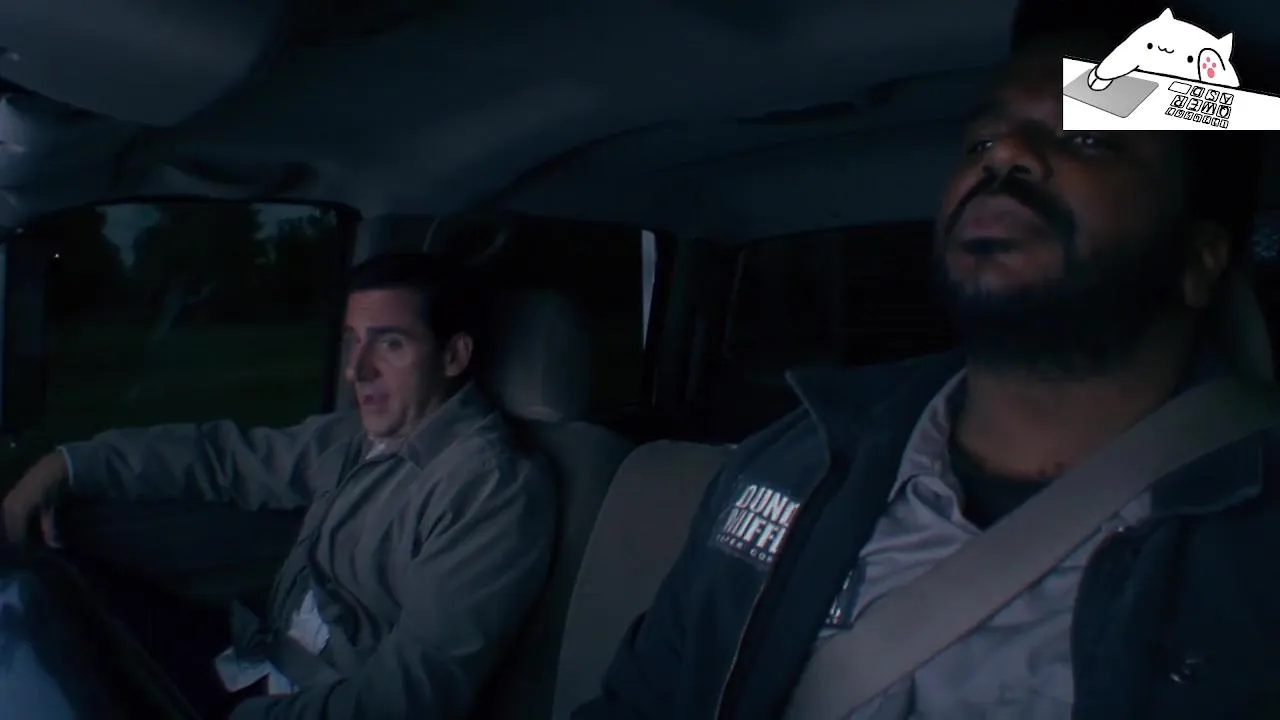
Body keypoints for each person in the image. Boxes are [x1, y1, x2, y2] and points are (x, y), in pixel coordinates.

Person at [575, 3, 1279, 719]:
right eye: (981, 141)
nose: (1006, 154)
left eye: (1092, 136)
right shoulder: (792, 463)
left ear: (1199, 259)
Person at [1, 252, 557, 719]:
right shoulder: (358, 435)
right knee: (64, 591)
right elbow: (224, 458)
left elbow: (405, 698)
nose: (356, 371)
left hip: (302, 703)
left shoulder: (491, 489)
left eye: (390, 345)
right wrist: (69, 465)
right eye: (352, 342)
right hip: (256, 656)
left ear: (454, 355)